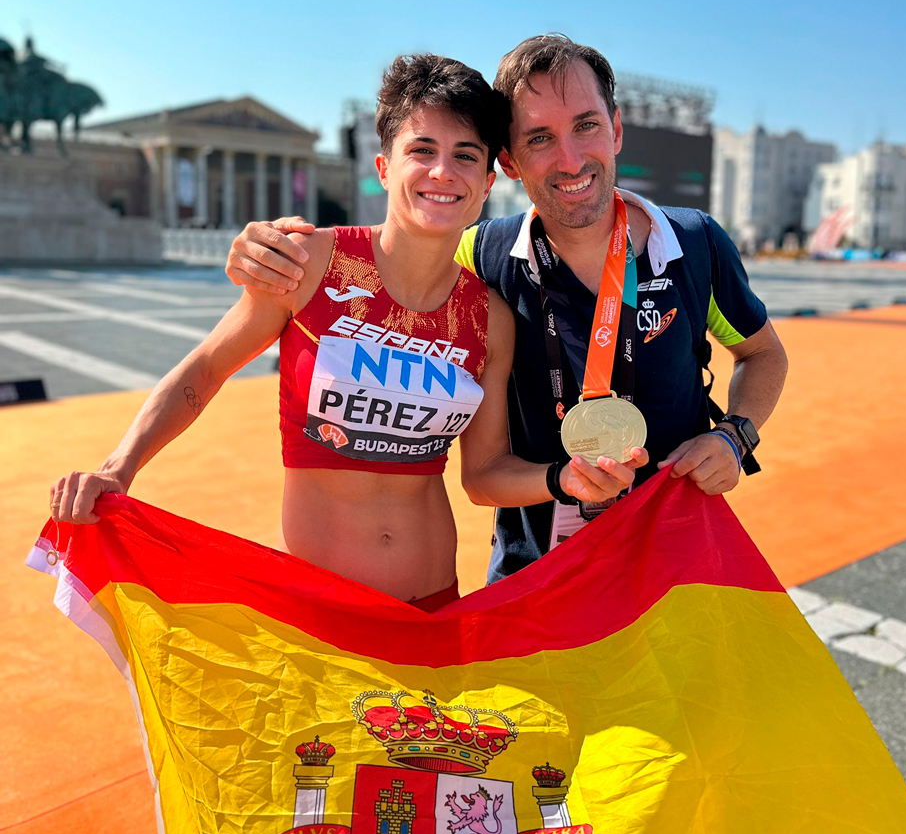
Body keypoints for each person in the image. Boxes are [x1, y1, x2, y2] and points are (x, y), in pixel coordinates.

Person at [48, 54, 644, 606]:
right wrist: (117, 468)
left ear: (487, 183)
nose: (444, 170)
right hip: (322, 606)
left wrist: (562, 480)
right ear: (385, 167)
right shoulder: (307, 264)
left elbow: (483, 476)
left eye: (466, 154)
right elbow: (203, 373)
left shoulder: (490, 319)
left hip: (435, 604)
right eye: (423, 149)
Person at [226, 36, 788, 582]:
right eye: (539, 138)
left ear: (615, 130)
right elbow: (391, 262)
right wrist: (271, 251)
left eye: (586, 125)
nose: (569, 159)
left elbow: (762, 355)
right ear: (511, 163)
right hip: (531, 581)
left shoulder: (695, 244)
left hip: (677, 566)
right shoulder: (481, 253)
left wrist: (735, 436)